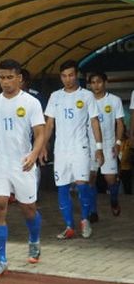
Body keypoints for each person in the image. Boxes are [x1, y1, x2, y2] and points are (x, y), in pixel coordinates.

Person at [0, 59, 46, 278]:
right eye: (2, 77)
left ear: (19, 78)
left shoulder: (31, 103)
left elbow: (40, 133)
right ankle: (1, 260)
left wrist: (34, 155)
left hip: (22, 163)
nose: (5, 82)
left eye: (10, 77)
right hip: (0, 162)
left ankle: (34, 240)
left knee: (28, 209)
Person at [44, 60, 103, 239]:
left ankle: (85, 221)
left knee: (82, 185)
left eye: (71, 75)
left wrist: (99, 148)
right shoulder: (55, 96)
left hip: (80, 148)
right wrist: (42, 146)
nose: (67, 79)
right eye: (64, 76)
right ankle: (69, 226)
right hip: (61, 150)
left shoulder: (87, 96)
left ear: (76, 75)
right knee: (62, 188)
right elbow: (49, 124)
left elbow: (94, 121)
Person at [86, 72, 125, 218]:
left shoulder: (115, 100)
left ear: (105, 82)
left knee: (111, 180)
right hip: (90, 146)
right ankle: (93, 211)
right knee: (91, 178)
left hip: (108, 145)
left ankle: (114, 201)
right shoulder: (86, 101)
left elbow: (120, 123)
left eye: (99, 82)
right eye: (93, 82)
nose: (96, 85)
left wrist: (118, 142)